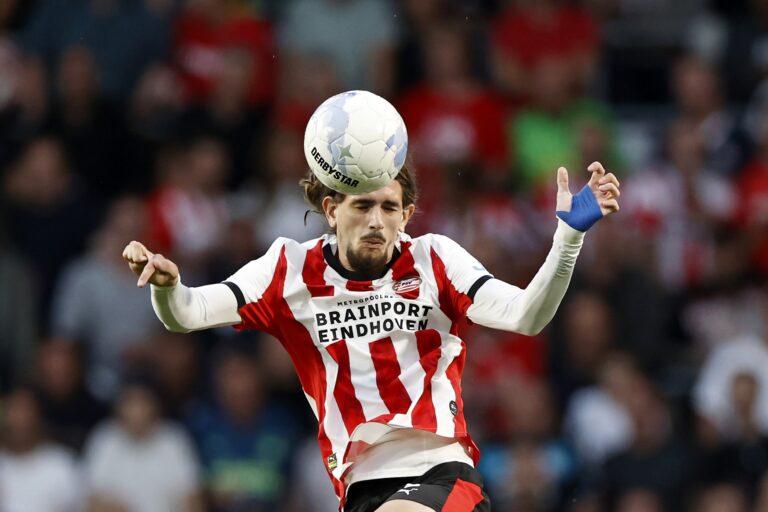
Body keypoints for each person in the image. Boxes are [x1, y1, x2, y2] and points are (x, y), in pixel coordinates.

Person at [123, 158, 620, 511]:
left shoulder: (434, 258)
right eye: (362, 207)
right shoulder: (287, 269)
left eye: (390, 208)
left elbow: (526, 316)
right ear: (330, 207)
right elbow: (186, 314)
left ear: (407, 214)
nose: (377, 222)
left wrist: (568, 239)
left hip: (440, 472)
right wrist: (168, 287)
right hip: (359, 490)